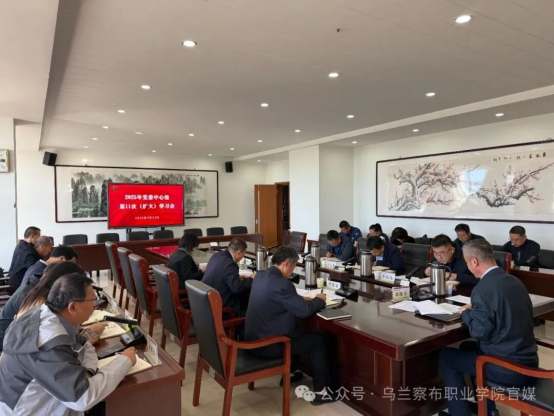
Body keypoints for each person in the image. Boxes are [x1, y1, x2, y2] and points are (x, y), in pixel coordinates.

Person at [0, 274, 136, 415]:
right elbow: (83, 399)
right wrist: (124, 361)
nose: (95, 304)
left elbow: (84, 346)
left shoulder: (43, 313)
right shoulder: (47, 342)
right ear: (73, 307)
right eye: (92, 299)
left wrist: (88, 372)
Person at [439, 240, 538, 416]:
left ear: (474, 261)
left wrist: (466, 312)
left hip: (506, 368)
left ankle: (459, 413)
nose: (467, 266)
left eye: (467, 262)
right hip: (528, 360)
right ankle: (488, 410)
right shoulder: (515, 281)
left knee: (446, 356)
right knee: (466, 347)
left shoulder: (483, 289)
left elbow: (478, 332)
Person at [245, 246, 338, 405]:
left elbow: (279, 300)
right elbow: (304, 311)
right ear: (287, 263)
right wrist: (319, 300)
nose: (292, 271)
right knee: (318, 340)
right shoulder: (282, 284)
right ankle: (322, 392)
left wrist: (300, 300)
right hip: (269, 346)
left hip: (253, 338)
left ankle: (290, 373)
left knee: (296, 329)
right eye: (294, 267)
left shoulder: (260, 276)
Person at [0, 261, 94, 350]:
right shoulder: (40, 304)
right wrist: (88, 339)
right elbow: (53, 345)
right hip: (6, 345)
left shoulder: (39, 291)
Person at [202, 238, 253, 315]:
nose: (242, 257)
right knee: (247, 297)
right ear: (238, 253)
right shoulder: (230, 263)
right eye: (243, 255)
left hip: (207, 301)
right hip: (221, 306)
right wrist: (251, 278)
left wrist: (237, 278)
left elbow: (221, 276)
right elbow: (237, 288)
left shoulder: (216, 256)